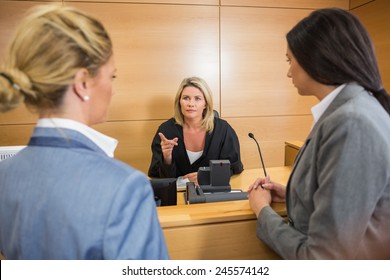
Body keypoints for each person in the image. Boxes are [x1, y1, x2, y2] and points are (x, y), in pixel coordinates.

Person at [0, 4, 169, 260]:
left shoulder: (4, 175)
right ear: (82, 83)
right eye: (111, 77)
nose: (113, 90)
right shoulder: (125, 188)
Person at [248, 8, 390, 259]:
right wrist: (295, 194)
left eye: (289, 60)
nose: (289, 72)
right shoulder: (349, 110)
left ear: (315, 57)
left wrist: (263, 211)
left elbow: (324, 257)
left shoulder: (351, 122)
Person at [148, 76, 243, 184]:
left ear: (205, 104)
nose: (191, 104)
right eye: (186, 98)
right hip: (177, 196)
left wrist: (207, 176)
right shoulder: (166, 131)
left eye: (197, 98)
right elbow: (157, 175)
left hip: (212, 194)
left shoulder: (223, 130)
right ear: (179, 101)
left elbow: (234, 166)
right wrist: (167, 158)